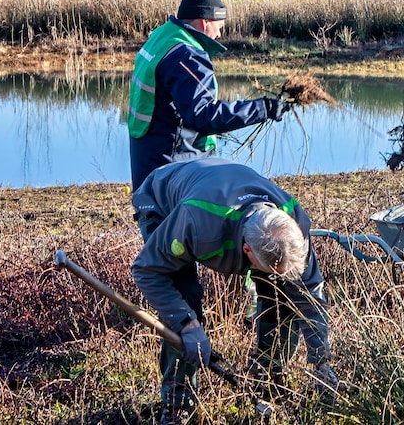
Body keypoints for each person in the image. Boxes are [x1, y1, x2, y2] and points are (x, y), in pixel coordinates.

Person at [132, 157, 339, 424]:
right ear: (246, 250)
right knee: (186, 298)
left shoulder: (293, 220)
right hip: (163, 199)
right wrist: (187, 324)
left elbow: (309, 295)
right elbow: (147, 270)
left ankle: (267, 377)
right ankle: (176, 405)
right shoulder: (197, 222)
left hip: (217, 188)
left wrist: (321, 362)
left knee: (283, 292)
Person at [128, 0, 290, 190]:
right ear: (205, 22)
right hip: (172, 169)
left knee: (153, 219)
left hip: (148, 160)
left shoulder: (162, 37)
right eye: (219, 27)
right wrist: (262, 109)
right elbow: (204, 115)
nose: (219, 35)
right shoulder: (187, 56)